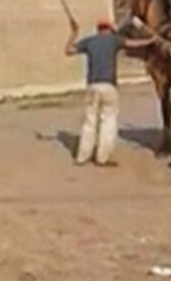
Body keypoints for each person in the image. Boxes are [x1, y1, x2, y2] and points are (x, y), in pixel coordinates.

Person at [65, 16, 156, 167]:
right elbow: (133, 44)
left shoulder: (89, 41)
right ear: (109, 28)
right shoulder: (114, 40)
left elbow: (68, 50)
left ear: (98, 28)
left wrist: (74, 33)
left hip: (92, 86)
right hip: (108, 86)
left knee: (89, 121)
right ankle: (102, 157)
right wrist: (150, 40)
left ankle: (82, 157)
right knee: (108, 120)